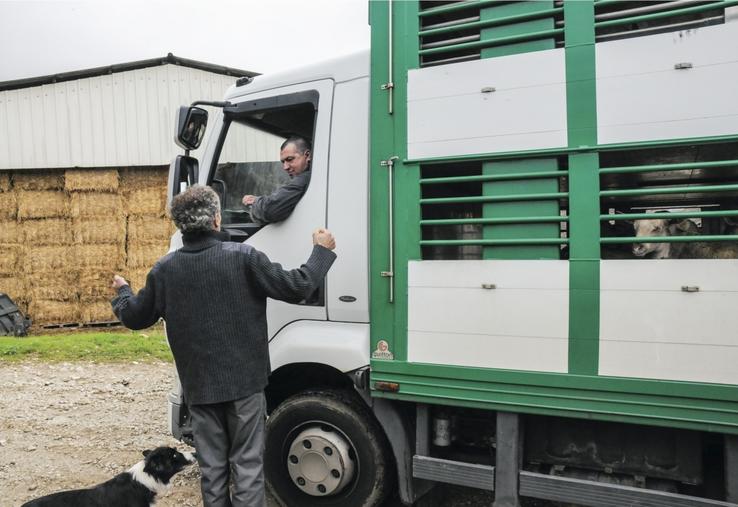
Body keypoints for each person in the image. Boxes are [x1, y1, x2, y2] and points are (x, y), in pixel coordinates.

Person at [110, 184, 336, 507]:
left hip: (200, 389)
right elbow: (298, 286)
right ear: (216, 219)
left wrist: (122, 292)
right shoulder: (244, 257)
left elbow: (134, 316)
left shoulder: (164, 270)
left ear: (181, 225)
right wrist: (321, 252)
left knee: (213, 470)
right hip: (245, 385)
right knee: (247, 466)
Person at [242, 136, 312, 225]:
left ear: (308, 155)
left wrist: (256, 202)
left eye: (290, 159)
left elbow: (270, 210)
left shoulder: (305, 178)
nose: (285, 167)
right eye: (283, 162)